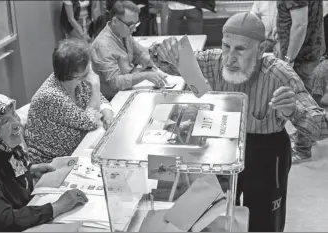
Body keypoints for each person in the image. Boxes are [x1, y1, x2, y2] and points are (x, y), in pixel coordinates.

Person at [150, 12, 328, 231]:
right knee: (218, 213)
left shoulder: (279, 74)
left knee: (263, 221)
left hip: (265, 152)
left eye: (240, 49)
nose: (230, 58)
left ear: (261, 49)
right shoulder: (211, 61)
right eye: (226, 46)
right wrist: (162, 49)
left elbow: (321, 126)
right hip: (223, 146)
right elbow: (168, 62)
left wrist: (294, 111)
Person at [0, 94, 88, 232]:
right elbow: (3, 221)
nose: (16, 123)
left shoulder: (1, 147)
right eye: (4, 121)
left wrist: (29, 170)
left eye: (13, 114)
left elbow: (1, 173)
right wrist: (57, 207)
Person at [25, 39, 114, 164]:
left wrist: (107, 113)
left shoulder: (78, 80)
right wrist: (95, 84)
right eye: (87, 71)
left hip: (79, 149)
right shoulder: (50, 96)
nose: (90, 71)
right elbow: (90, 121)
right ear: (73, 75)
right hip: (51, 163)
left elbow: (99, 98)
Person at [276, 0, 325, 164]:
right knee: (310, 98)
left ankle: (302, 149)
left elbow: (300, 24)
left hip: (302, 56)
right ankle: (307, 137)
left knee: (303, 102)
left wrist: (288, 59)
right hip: (311, 49)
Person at [91, 0, 167, 101]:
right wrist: (146, 75)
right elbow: (115, 83)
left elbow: (139, 53)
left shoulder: (123, 33)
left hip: (127, 90)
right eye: (130, 25)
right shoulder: (102, 45)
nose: (134, 30)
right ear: (115, 21)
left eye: (136, 24)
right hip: (112, 99)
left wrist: (152, 62)